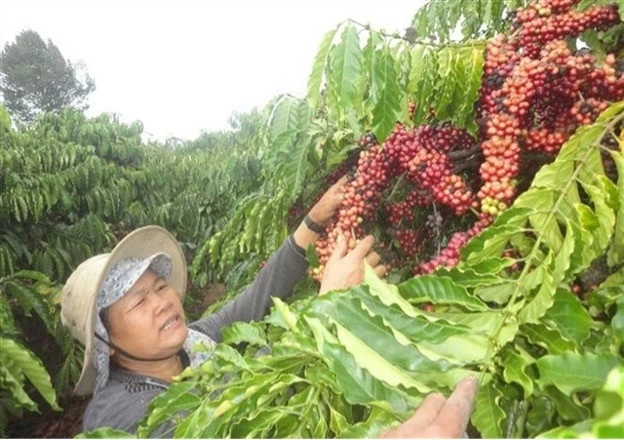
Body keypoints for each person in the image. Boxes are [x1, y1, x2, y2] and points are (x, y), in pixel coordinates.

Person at [60, 177, 477, 437]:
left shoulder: (196, 343)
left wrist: (311, 225)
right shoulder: (116, 416)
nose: (163, 303)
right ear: (107, 343)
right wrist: (326, 306)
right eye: (137, 301)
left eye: (161, 286)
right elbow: (225, 412)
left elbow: (259, 295)